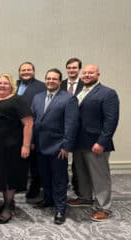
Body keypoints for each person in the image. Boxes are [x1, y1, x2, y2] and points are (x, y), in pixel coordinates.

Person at [67, 64, 119, 222]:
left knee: (100, 176)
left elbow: (111, 120)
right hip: (79, 141)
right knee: (81, 172)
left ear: (98, 74)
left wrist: (102, 141)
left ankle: (104, 207)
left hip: (96, 143)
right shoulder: (80, 91)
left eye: (91, 73)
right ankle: (85, 197)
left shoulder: (108, 93)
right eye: (85, 73)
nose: (87, 75)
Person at [0, 73, 33, 224]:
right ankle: (7, 201)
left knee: (9, 175)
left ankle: (7, 207)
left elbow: (28, 123)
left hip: (11, 143)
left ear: (11, 86)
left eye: (6, 83)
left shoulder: (17, 100)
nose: (2, 85)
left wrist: (26, 145)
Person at [31, 68, 79, 225]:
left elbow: (71, 125)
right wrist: (31, 141)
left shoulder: (68, 98)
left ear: (60, 81)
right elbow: (33, 121)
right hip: (39, 145)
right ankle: (48, 199)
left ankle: (60, 208)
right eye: (48, 78)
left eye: (54, 79)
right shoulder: (37, 97)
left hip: (58, 147)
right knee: (44, 176)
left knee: (59, 179)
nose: (51, 81)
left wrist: (66, 146)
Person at [16, 62, 46, 199]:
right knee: (18, 158)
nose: (26, 72)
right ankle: (19, 184)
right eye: (23, 70)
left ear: (33, 72)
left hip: (32, 127)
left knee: (34, 161)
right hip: (15, 128)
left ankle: (35, 187)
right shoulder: (15, 85)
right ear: (19, 72)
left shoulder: (41, 87)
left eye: (29, 70)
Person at [60, 57, 84, 196]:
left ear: (79, 69)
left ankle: (78, 187)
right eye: (69, 68)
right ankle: (62, 184)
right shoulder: (60, 84)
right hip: (61, 128)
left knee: (78, 162)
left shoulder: (85, 85)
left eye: (74, 68)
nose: (71, 70)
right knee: (61, 159)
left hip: (80, 128)